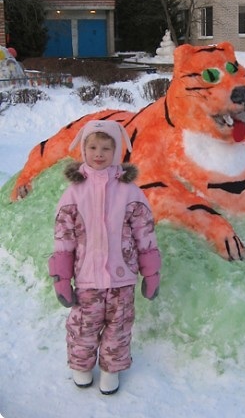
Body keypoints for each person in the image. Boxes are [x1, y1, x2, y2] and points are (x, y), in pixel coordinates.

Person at [48, 120, 162, 395]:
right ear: (84, 150)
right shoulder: (73, 193)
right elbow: (63, 238)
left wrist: (151, 273)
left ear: (117, 151)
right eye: (93, 147)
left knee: (119, 327)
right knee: (84, 325)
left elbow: (145, 233)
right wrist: (62, 278)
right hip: (87, 278)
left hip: (122, 278)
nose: (99, 153)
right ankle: (81, 366)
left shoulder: (130, 191)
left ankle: (112, 369)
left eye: (106, 148)